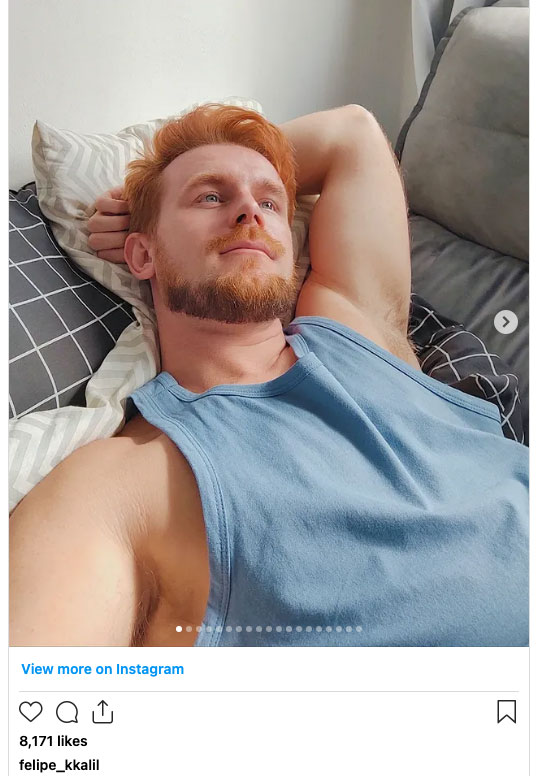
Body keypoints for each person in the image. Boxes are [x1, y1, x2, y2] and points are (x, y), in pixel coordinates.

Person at [9, 104, 528, 648]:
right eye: (210, 197)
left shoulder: (357, 329)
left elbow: (351, 133)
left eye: (270, 201)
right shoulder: (119, 486)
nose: (249, 212)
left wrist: (153, 189)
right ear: (142, 253)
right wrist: (147, 204)